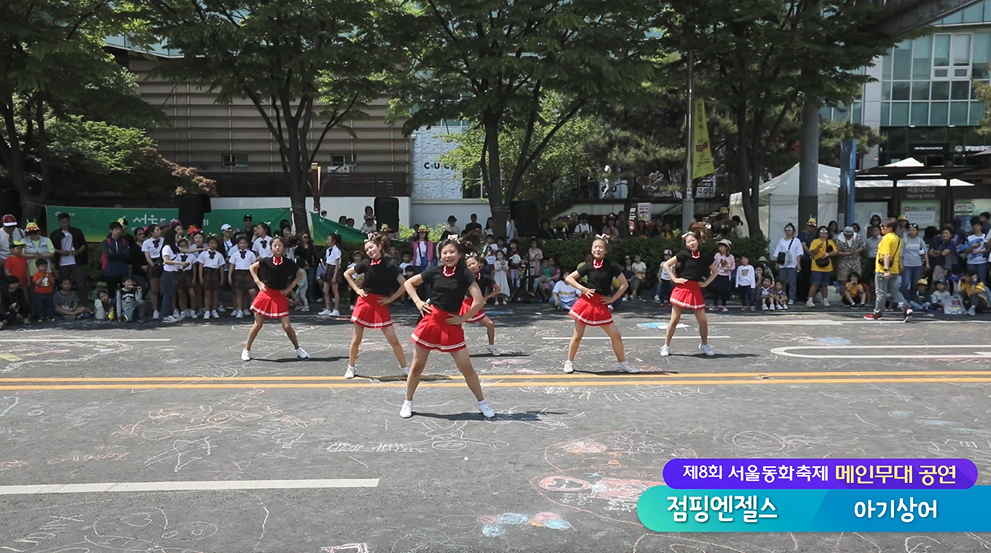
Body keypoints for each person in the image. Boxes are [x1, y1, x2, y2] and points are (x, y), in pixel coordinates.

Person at [401, 237, 495, 419]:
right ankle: (408, 401)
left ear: (459, 254)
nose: (448, 255)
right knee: (417, 366)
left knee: (466, 368)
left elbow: (478, 301)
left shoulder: (465, 274)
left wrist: (463, 318)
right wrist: (419, 302)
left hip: (452, 324)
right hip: (430, 321)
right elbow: (408, 283)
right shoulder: (435, 271)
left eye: (452, 252)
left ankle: (482, 403)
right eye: (444, 252)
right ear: (440, 256)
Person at [561, 236, 638, 374]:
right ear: (591, 250)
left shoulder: (612, 266)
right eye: (595, 247)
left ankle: (622, 364)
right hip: (586, 302)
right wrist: (582, 289)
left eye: (600, 247)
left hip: (601, 304)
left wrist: (612, 298)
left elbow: (624, 284)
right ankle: (569, 362)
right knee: (577, 336)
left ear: (606, 251)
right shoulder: (588, 266)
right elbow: (568, 278)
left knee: (616, 335)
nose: (598, 249)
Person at [343, 234, 409, 379]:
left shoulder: (390, 264)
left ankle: (405, 368)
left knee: (393, 339)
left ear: (379, 247)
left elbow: (405, 284)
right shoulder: (365, 263)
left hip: (380, 302)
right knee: (356, 339)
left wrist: (391, 298)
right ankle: (351, 367)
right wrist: (357, 290)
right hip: (364, 301)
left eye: (371, 247)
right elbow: (347, 274)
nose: (369, 251)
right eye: (367, 249)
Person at [241, 237, 308, 361]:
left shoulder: (289, 263)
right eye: (274, 246)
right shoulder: (266, 261)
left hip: (280, 295)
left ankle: (298, 349)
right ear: (271, 248)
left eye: (279, 245)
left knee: (287, 326)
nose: (277, 248)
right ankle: (246, 349)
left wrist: (290, 288)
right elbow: (252, 268)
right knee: (258, 324)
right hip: (266, 294)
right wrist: (258, 282)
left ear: (284, 247)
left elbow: (300, 274)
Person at [661, 232, 718, 357]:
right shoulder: (683, 255)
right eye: (688, 242)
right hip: (682, 288)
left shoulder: (705, 257)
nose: (692, 243)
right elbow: (666, 264)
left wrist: (706, 283)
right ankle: (666, 345)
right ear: (686, 245)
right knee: (674, 319)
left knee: (703, 320)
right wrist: (674, 279)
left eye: (693, 240)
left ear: (697, 241)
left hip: (695, 289)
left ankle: (704, 344)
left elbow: (715, 271)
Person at [864, 218, 912, 321]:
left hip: (883, 269)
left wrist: (886, 270)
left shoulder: (886, 238)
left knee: (880, 292)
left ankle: (877, 313)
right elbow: (898, 254)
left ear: (890, 228)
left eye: (883, 226)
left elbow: (886, 254)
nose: (881, 228)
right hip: (894, 269)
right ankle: (906, 308)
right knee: (894, 291)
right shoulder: (898, 238)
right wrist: (900, 265)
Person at [461, 254, 501, 355]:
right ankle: (454, 347)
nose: (472, 266)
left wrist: (485, 298)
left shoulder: (485, 277)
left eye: (473, 263)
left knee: (490, 324)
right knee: (455, 325)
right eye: (469, 265)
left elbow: (498, 289)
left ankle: (491, 346)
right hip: (466, 304)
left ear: (479, 263)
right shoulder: (464, 277)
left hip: (477, 304)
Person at [49, 212, 88, 304]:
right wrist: (61, 252)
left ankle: (84, 304)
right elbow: (51, 248)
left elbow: (84, 244)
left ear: (69, 221)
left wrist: (78, 251)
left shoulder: (76, 231)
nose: (65, 224)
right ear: (59, 222)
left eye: (66, 222)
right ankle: (63, 304)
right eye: (63, 222)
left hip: (75, 261)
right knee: (63, 285)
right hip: (62, 262)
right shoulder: (55, 234)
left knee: (80, 283)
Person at [160, 229, 190, 323]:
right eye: (177, 236)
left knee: (170, 294)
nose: (179, 237)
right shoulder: (167, 248)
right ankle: (165, 315)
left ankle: (169, 314)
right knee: (167, 295)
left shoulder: (174, 247)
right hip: (168, 273)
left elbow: (185, 250)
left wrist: (200, 249)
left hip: (173, 273)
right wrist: (180, 263)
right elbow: (166, 261)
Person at [773, 224, 803, 305]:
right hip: (783, 264)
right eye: (787, 229)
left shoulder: (797, 241)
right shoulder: (781, 240)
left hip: (792, 264)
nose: (788, 231)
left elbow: (799, 254)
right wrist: (777, 263)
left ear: (793, 231)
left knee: (792, 282)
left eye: (790, 229)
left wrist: (798, 264)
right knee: (782, 282)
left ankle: (791, 298)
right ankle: (782, 297)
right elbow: (777, 253)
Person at [806, 225, 836, 308]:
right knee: (815, 283)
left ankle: (825, 300)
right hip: (816, 265)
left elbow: (835, 252)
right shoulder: (815, 241)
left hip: (827, 265)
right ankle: (810, 300)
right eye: (822, 231)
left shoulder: (830, 242)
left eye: (825, 232)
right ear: (818, 233)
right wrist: (818, 247)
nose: (824, 233)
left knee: (825, 284)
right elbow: (812, 252)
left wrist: (827, 254)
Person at [229, 236, 257, 318]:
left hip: (248, 273)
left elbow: (254, 266)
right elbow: (232, 266)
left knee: (252, 292)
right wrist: (229, 276)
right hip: (238, 273)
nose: (243, 245)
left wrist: (255, 277)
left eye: (245, 243)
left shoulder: (251, 254)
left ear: (248, 244)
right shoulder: (235, 254)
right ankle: (240, 310)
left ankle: (255, 310)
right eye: (241, 243)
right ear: (238, 244)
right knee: (239, 293)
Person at [198, 236, 226, 319]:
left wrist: (221, 278)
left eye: (214, 243)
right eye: (211, 243)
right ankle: (207, 311)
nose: (213, 245)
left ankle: (214, 310)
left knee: (215, 293)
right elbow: (200, 266)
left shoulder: (219, 255)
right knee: (207, 293)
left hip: (215, 273)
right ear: (208, 244)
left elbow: (221, 267)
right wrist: (200, 277)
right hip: (207, 273)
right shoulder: (203, 254)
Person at [141, 225, 165, 319]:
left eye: (160, 230)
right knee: (155, 290)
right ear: (151, 232)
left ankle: (165, 309)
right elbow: (147, 256)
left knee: (164, 289)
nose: (159, 231)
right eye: (157, 230)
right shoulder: (146, 242)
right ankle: (155, 310)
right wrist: (153, 266)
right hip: (153, 264)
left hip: (163, 263)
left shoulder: (164, 240)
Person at [103, 221, 131, 295]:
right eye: (116, 230)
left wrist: (114, 254)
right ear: (111, 230)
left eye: (119, 229)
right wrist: (122, 253)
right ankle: (112, 306)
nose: (118, 231)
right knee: (111, 292)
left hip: (123, 270)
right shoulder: (107, 241)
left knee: (126, 292)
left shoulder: (124, 241)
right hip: (111, 271)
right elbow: (109, 255)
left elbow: (128, 255)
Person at [319, 233, 342, 317]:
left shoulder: (337, 251)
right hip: (328, 269)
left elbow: (337, 264)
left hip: (334, 270)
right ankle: (327, 308)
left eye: (328, 239)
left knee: (335, 291)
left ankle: (336, 310)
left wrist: (335, 276)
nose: (327, 241)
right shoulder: (328, 250)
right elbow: (328, 261)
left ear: (334, 241)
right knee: (325, 290)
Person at [709, 239, 735, 312]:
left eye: (722, 247)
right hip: (717, 274)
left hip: (725, 275)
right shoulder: (717, 255)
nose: (720, 248)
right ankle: (715, 305)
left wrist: (729, 269)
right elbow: (714, 264)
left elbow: (733, 266)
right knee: (715, 290)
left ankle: (724, 305)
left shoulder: (731, 257)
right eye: (720, 247)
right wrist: (712, 272)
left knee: (724, 290)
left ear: (726, 248)